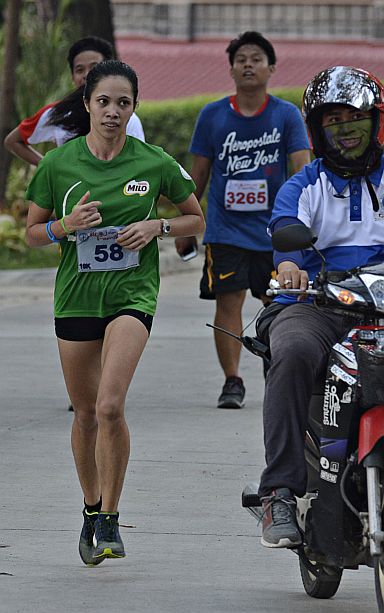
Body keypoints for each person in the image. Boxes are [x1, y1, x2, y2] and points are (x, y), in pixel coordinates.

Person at [24, 60, 205, 565]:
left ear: (133, 109)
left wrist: (158, 230)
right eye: (103, 101)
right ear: (87, 105)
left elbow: (196, 217)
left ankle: (110, 517)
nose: (112, 111)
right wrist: (67, 225)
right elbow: (32, 234)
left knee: (109, 406)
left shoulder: (153, 162)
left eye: (123, 102)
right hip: (77, 298)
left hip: (132, 294)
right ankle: (89, 508)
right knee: (84, 414)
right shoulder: (59, 166)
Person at [258, 65, 384, 548]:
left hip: (381, 302)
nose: (345, 130)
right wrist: (290, 265)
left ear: (375, 123)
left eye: (355, 119)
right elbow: (285, 227)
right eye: (333, 122)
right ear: (317, 131)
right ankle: (281, 492)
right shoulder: (305, 184)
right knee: (290, 350)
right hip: (321, 303)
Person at [176, 31, 310, 409]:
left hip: (275, 235)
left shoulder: (285, 115)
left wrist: (307, 224)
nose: (248, 64)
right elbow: (197, 176)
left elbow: (303, 172)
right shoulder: (213, 115)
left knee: (279, 304)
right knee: (228, 303)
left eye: (256, 58)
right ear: (232, 69)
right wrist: (185, 222)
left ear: (271, 68)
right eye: (241, 59)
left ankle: (275, 366)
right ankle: (232, 381)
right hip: (225, 231)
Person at [4, 36, 145, 166]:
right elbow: (13, 141)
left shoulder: (127, 118)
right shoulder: (58, 113)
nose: (86, 75)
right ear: (72, 76)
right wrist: (51, 169)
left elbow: (138, 164)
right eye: (79, 70)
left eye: (94, 67)